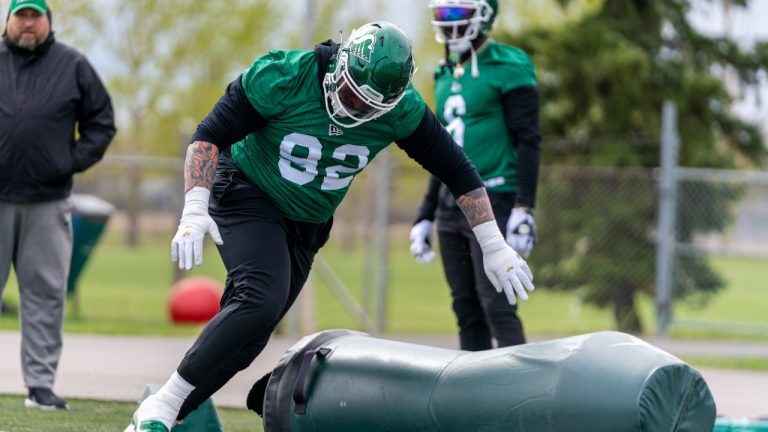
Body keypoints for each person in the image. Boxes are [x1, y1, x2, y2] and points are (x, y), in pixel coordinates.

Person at [124, 20, 534, 431]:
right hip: (248, 190)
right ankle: (165, 404)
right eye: (351, 94)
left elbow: (459, 171)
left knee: (253, 333)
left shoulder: (402, 109)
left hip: (308, 221)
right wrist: (195, 205)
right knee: (259, 299)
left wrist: (493, 245)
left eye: (367, 105)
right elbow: (208, 136)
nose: (354, 107)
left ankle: (164, 413)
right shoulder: (285, 74)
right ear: (341, 62)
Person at [0, 0, 116, 410]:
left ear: (49, 20)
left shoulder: (74, 65)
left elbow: (102, 121)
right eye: (21, 15)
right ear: (8, 20)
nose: (28, 23)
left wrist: (68, 162)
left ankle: (40, 386)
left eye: (36, 15)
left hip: (47, 203)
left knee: (46, 294)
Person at [409, 0, 541, 351]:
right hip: (450, 206)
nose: (448, 22)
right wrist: (425, 213)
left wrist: (524, 206)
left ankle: (520, 393)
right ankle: (474, 400)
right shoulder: (443, 71)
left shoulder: (508, 65)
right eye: (443, 14)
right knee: (465, 310)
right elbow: (440, 151)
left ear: (484, 16)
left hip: (494, 199)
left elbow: (528, 139)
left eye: (457, 13)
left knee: (497, 305)